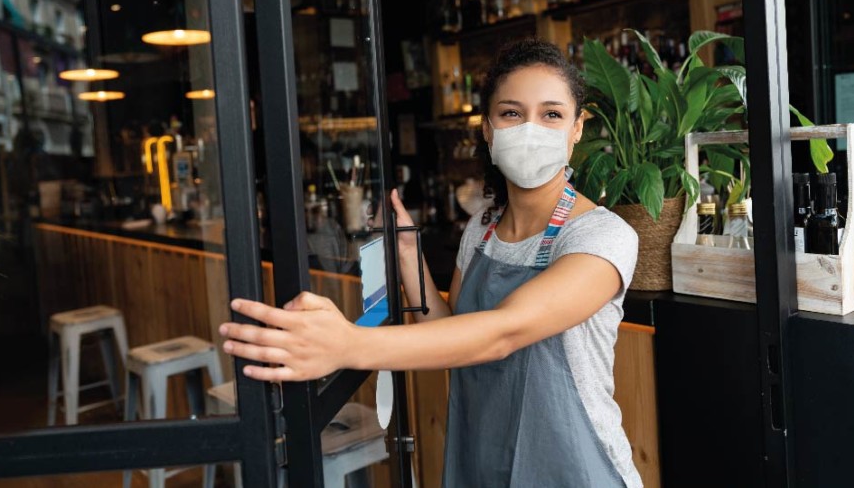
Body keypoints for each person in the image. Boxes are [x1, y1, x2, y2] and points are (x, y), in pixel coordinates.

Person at [220, 38, 642, 487]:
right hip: (481, 459)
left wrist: (347, 345)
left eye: (552, 114)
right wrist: (408, 255)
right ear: (487, 128)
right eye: (512, 113)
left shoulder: (601, 235)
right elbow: (453, 334)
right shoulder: (481, 228)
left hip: (573, 470)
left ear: (577, 129)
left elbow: (503, 332)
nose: (530, 129)